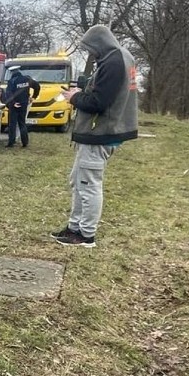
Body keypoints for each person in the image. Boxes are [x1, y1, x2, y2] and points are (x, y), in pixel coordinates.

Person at [52, 25, 138, 247]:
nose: (91, 54)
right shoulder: (122, 57)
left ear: (100, 44)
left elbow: (98, 102)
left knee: (88, 184)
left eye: (91, 49)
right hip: (101, 131)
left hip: (100, 132)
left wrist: (74, 97)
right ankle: (74, 227)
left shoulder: (113, 62)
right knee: (79, 181)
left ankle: (85, 235)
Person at [2, 67, 40, 147]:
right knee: (22, 123)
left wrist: (13, 103)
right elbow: (37, 86)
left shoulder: (11, 81)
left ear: (12, 73)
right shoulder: (27, 79)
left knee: (12, 124)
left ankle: (11, 142)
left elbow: (9, 94)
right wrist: (34, 97)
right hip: (24, 104)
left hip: (14, 106)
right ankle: (25, 142)